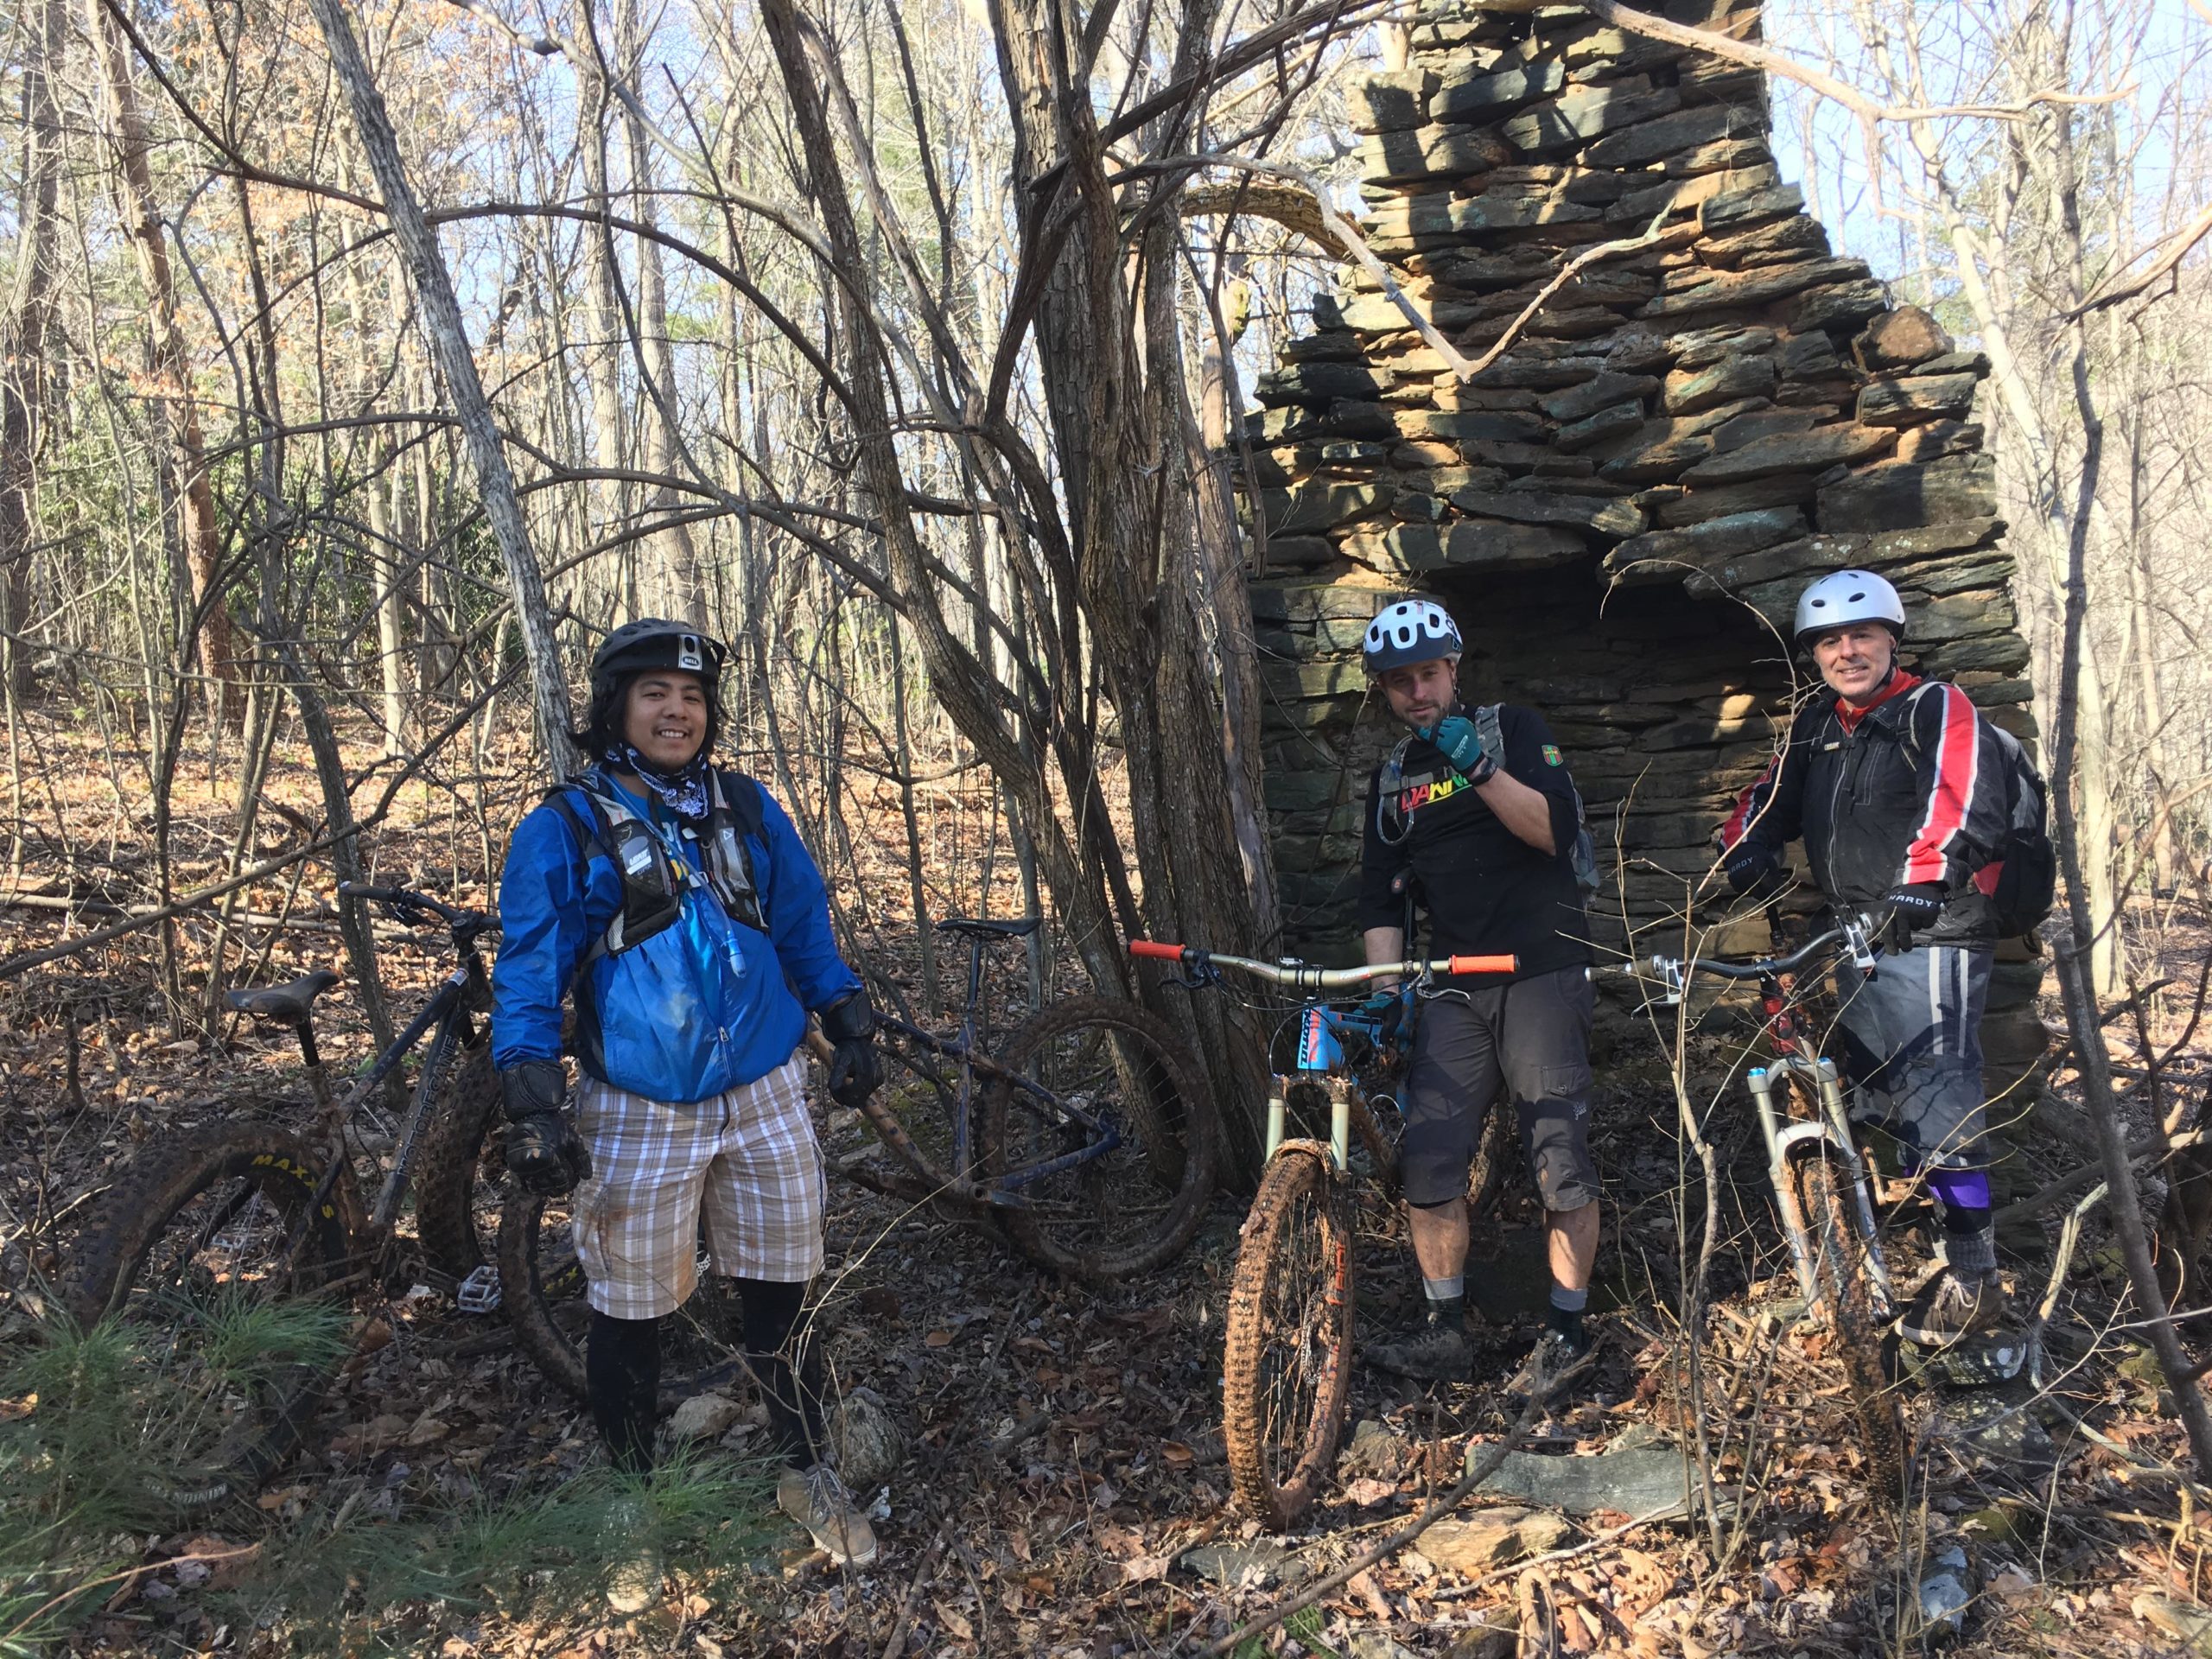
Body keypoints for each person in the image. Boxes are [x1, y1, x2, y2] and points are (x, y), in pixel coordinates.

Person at [491, 619, 883, 1607]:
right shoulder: (565, 826)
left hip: (761, 1089)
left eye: (694, 696)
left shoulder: (747, 808)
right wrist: (531, 1098)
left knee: (782, 1284)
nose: (677, 711)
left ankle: (805, 1466)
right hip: (637, 1102)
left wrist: (847, 1015)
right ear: (615, 706)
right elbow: (531, 968)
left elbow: (799, 920)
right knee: (631, 1306)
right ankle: (635, 1501)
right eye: (656, 692)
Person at [1717, 569, 2012, 1348]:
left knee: (1941, 1092)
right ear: (1814, 655)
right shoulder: (1818, 724)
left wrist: (1924, 880)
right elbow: (1765, 800)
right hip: (1854, 929)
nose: (1846, 652)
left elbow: (1962, 798)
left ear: (1891, 640)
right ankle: (1869, 1258)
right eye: (1828, 641)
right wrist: (1745, 847)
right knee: (1869, 1088)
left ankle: (1975, 1277)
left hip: (1934, 924)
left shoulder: (1932, 707)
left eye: (1861, 636)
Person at [1354, 597, 1602, 1386]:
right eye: (1400, 683)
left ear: (1453, 671)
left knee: (1557, 1156)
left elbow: (1555, 832)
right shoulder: (1393, 778)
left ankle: (1568, 1332)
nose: (1417, 694)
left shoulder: (1514, 732)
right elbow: (1380, 894)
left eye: (1428, 675)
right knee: (1429, 1158)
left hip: (1541, 970)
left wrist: (1480, 766)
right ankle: (1444, 1328)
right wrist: (1389, 986)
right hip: (1454, 984)